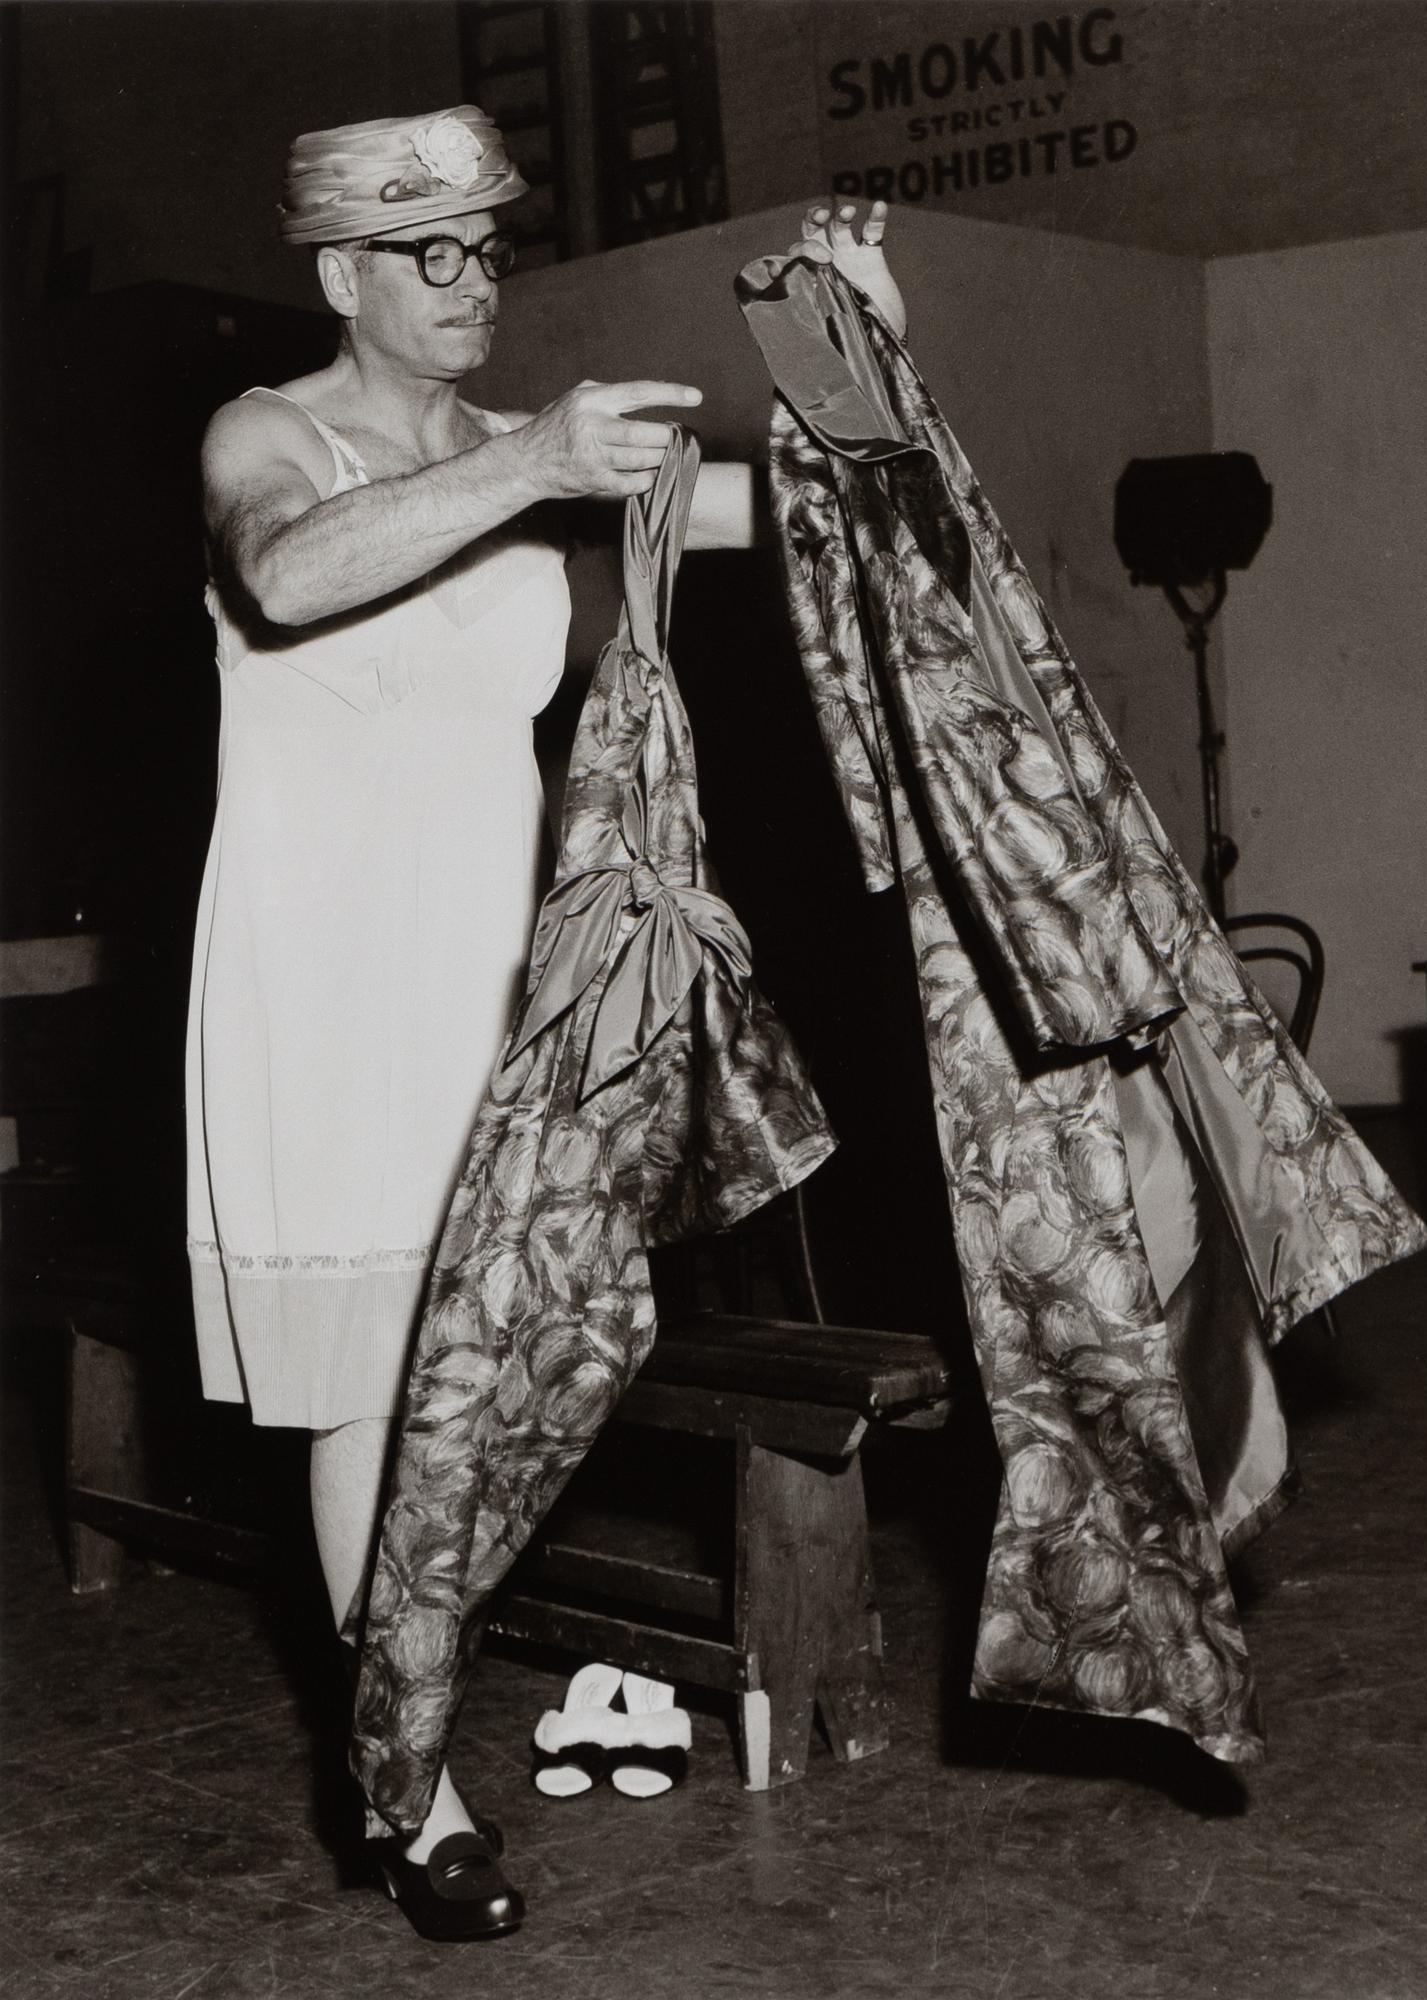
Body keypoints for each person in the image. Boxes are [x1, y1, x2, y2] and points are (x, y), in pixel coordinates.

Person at [184, 103, 904, 1937]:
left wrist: (854, 340)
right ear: (341, 273)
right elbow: (285, 574)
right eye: (429, 251)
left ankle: (404, 1700)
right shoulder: (267, 433)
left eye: (488, 247)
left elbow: (799, 510)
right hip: (322, 980)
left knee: (505, 1359)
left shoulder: (532, 445)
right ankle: (411, 1799)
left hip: (502, 983)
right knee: (372, 1393)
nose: (470, 280)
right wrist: (540, 469)